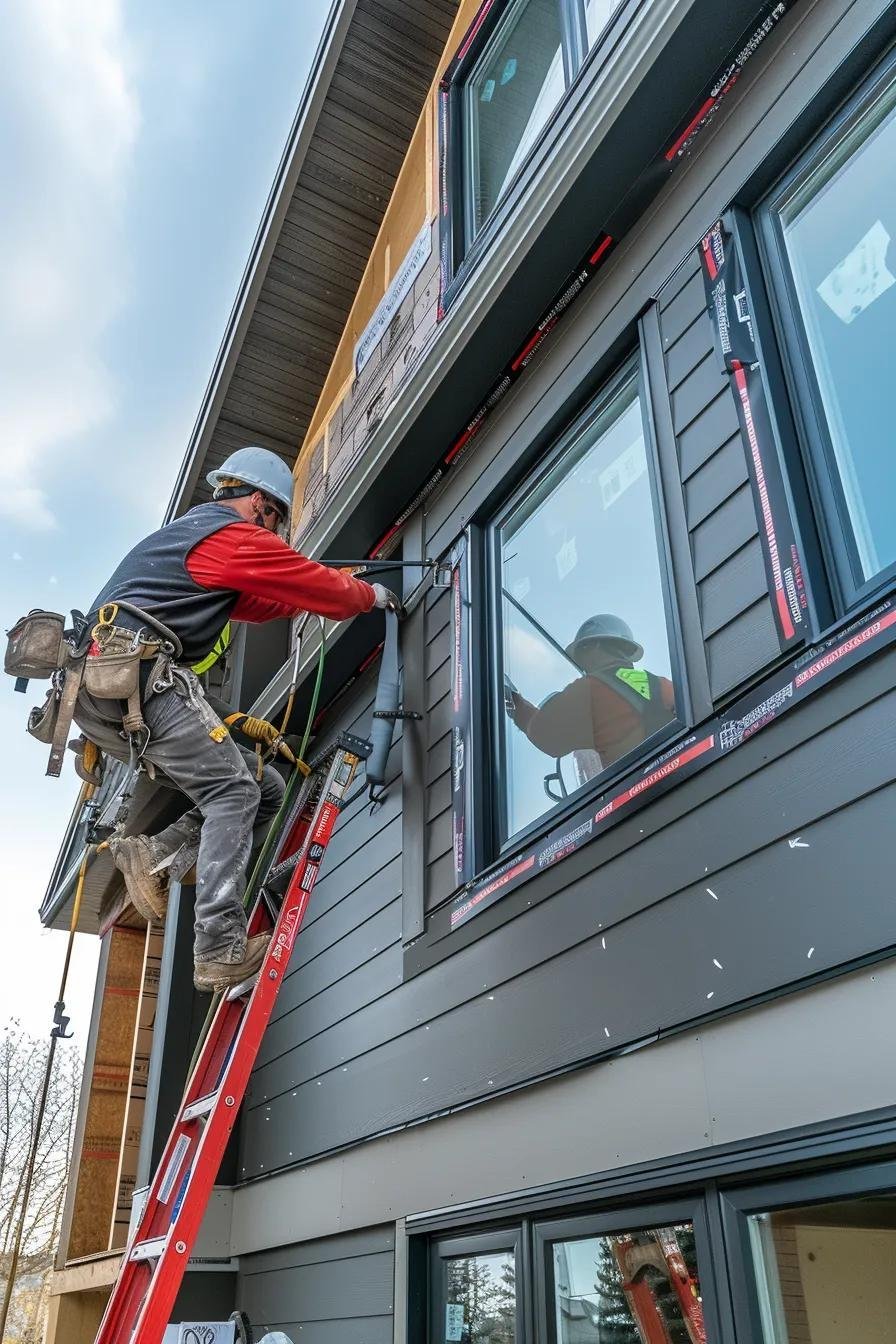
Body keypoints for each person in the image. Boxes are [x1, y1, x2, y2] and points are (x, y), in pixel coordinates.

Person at [73, 445, 398, 993]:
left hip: (106, 689)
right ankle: (219, 947)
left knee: (262, 787)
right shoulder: (229, 534)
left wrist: (327, 586)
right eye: (274, 521)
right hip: (138, 676)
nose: (273, 534)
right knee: (234, 793)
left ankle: (153, 853)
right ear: (260, 507)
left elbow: (263, 602)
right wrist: (365, 595)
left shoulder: (198, 539)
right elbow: (296, 581)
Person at [505, 614, 675, 780]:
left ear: (594, 647)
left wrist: (514, 703)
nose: (581, 661)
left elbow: (543, 734)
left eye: (582, 651)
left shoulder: (589, 688)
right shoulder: (662, 685)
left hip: (638, 794)